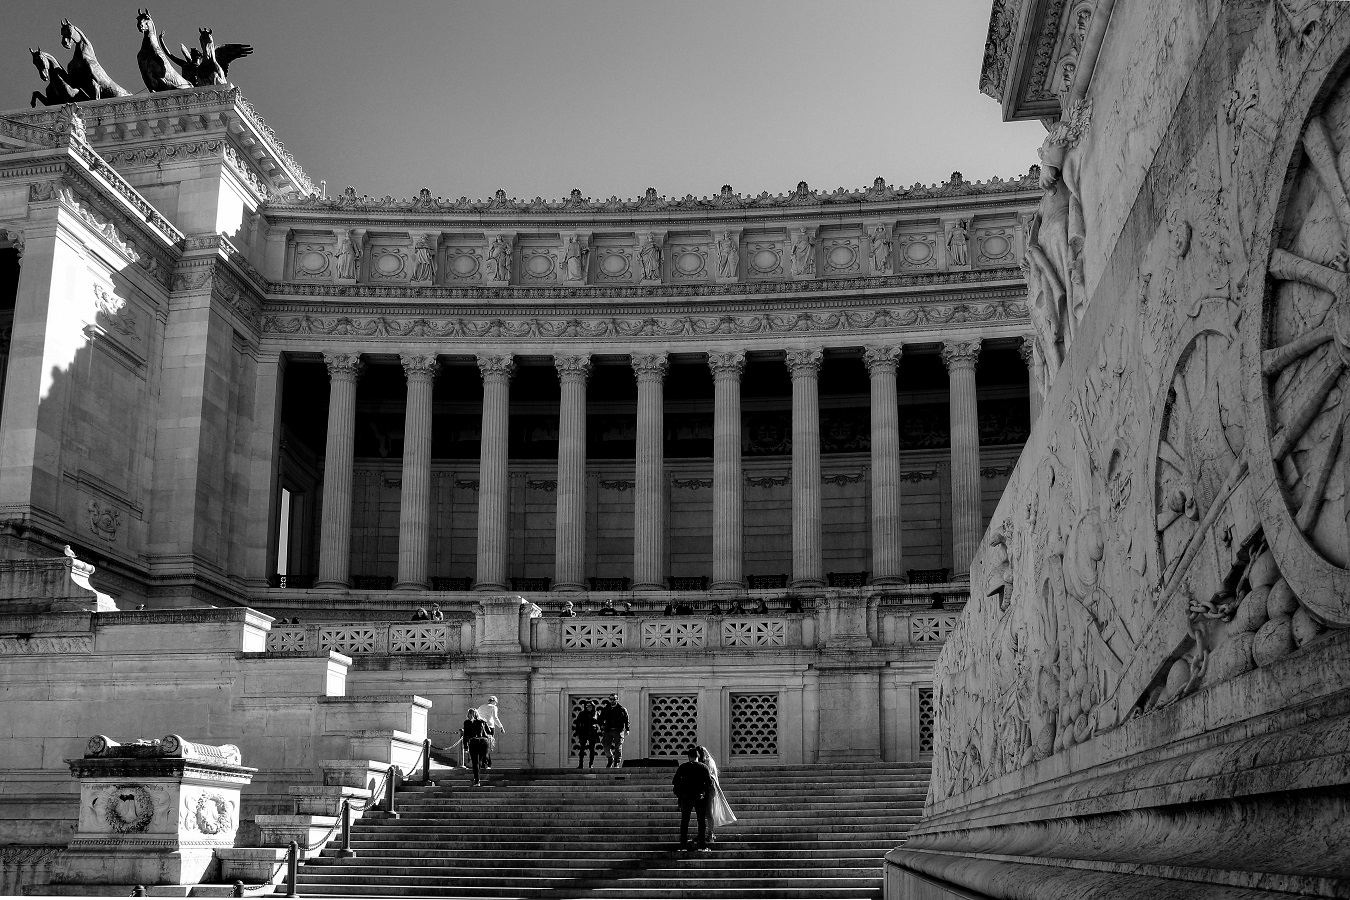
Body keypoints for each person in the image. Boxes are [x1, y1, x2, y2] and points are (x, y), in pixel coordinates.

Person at [672, 747, 715, 851]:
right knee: (701, 822)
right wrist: (703, 791)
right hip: (699, 797)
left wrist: (680, 794)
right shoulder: (703, 767)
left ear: (688, 757)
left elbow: (675, 781)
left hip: (686, 798)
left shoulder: (683, 767)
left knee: (684, 822)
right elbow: (709, 783)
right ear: (698, 756)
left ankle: (682, 846)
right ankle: (702, 846)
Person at [697, 746, 737, 829]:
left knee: (708, 812)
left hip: (710, 788)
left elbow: (707, 776)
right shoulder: (708, 761)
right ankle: (703, 833)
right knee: (704, 812)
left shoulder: (708, 761)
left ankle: (710, 833)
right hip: (706, 788)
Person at [461, 708, 493, 786]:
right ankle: (484, 766)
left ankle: (477, 781)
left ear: (468, 714)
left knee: (475, 762)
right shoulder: (482, 721)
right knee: (481, 759)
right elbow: (489, 731)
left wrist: (465, 747)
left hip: (473, 741)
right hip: (483, 742)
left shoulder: (467, 722)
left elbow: (465, 735)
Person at [598, 693, 630, 768]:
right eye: (611, 699)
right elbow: (600, 719)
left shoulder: (622, 709)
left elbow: (626, 719)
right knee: (606, 747)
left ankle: (617, 762)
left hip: (618, 730)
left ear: (617, 699)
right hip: (608, 730)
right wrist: (601, 725)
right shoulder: (606, 709)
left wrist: (627, 729)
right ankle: (610, 759)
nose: (612, 701)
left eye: (614, 699)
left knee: (618, 747)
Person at [477, 696, 505, 768]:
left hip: (480, 727)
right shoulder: (493, 707)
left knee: (482, 745)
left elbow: (477, 716)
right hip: (489, 727)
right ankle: (486, 763)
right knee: (488, 745)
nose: (496, 704)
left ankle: (484, 763)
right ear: (494, 702)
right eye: (496, 702)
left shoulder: (481, 707)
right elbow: (495, 718)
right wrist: (501, 727)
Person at [574, 700, 601, 768]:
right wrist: (577, 732)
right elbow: (577, 724)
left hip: (593, 732)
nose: (589, 707)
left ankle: (591, 764)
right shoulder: (582, 714)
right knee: (582, 748)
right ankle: (580, 764)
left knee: (592, 749)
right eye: (587, 706)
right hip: (584, 732)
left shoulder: (596, 713)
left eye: (590, 706)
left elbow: (600, 722)